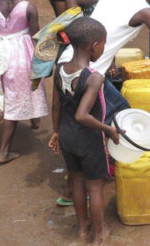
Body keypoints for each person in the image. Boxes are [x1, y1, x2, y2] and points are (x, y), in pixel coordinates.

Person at [49, 17, 118, 245]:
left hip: (67, 137)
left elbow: (56, 105)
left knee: (77, 182)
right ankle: (99, 235)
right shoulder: (93, 78)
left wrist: (55, 132)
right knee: (95, 187)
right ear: (94, 45)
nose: (104, 49)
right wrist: (108, 129)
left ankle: (82, 228)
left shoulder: (59, 70)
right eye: (104, 44)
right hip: (89, 140)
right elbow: (82, 115)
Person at [0, 0, 48, 165]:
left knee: (12, 91)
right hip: (21, 56)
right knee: (19, 95)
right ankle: (4, 152)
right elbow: (35, 38)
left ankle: (33, 118)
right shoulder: (28, 8)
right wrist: (44, 61)